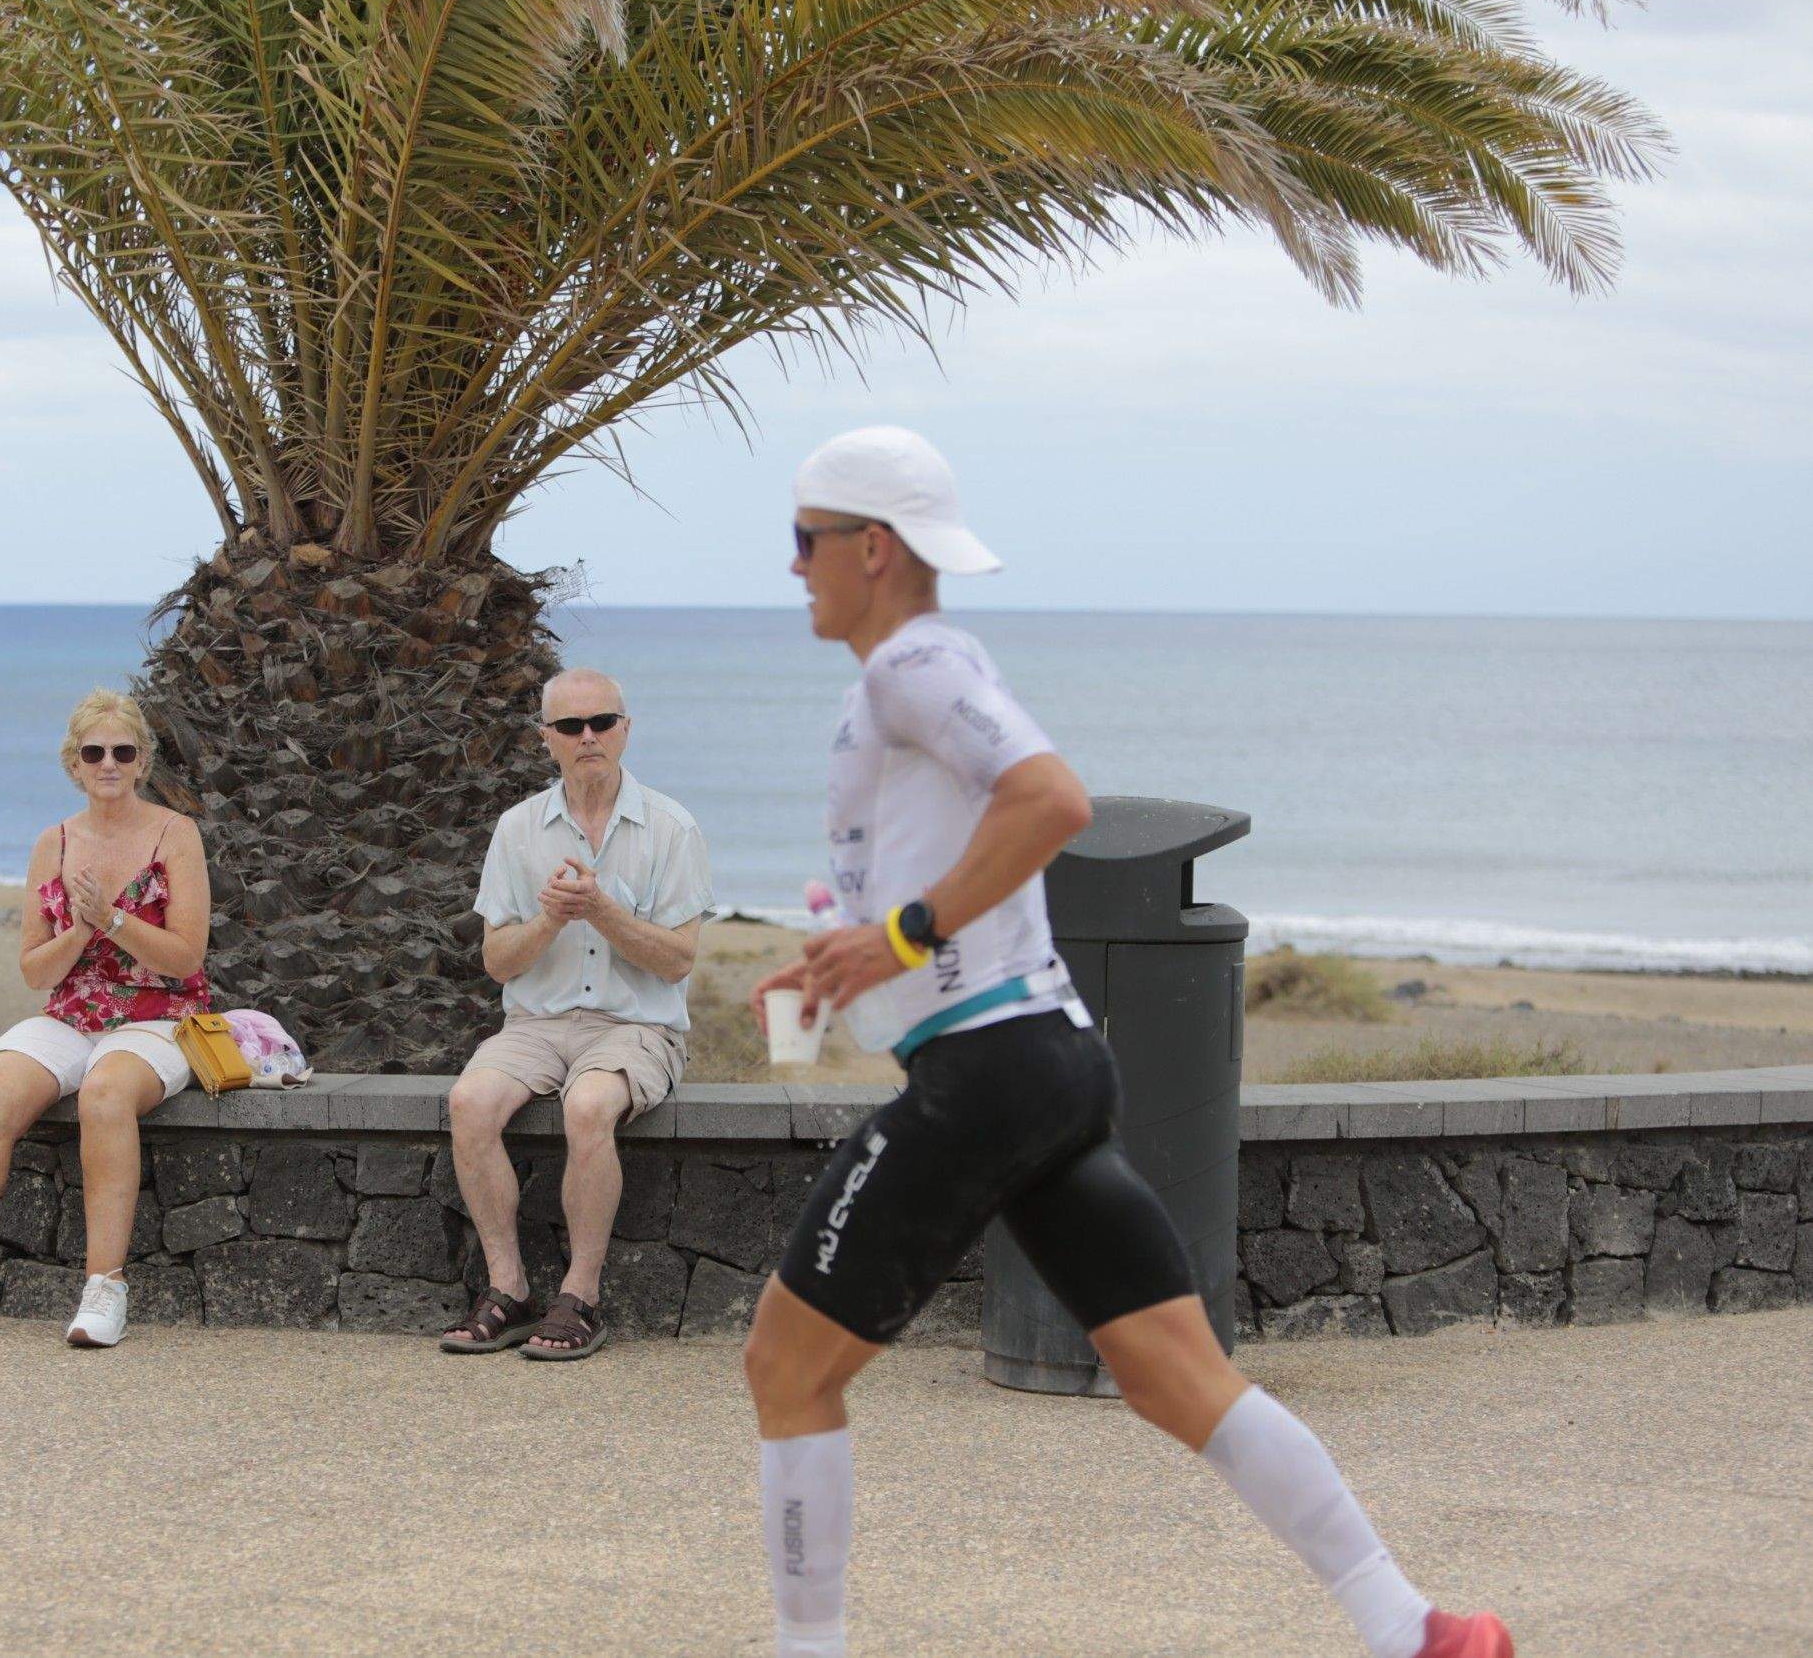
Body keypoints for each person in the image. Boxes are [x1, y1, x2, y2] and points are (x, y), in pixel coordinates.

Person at [741, 427, 1513, 1658]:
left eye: (803, 539)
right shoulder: (907, 677)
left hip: (987, 1074)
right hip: (1046, 1059)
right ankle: (1415, 1627)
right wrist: (855, 959)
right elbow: (943, 874)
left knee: (786, 1365)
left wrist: (900, 932)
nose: (793, 568)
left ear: (871, 548)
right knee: (1176, 1376)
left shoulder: (914, 665)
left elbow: (1052, 800)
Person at [0, 688, 212, 1351]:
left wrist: (116, 921)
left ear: (144, 760)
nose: (109, 763)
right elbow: (35, 970)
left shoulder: (176, 835)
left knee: (105, 1092)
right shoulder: (54, 843)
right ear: (74, 764)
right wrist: (82, 931)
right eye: (95, 752)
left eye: (124, 751)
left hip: (159, 1013)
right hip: (74, 1009)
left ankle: (105, 1286)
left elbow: (185, 957)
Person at [437, 668, 713, 1360]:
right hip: (536, 1025)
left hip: (636, 1026)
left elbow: (678, 960)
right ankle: (509, 1288)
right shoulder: (519, 827)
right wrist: (551, 919)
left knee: (588, 1106)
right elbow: (499, 961)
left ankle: (582, 1295)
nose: (587, 737)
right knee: (469, 1100)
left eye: (601, 722)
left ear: (625, 730)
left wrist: (602, 911)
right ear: (546, 739)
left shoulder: (673, 828)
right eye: (569, 726)